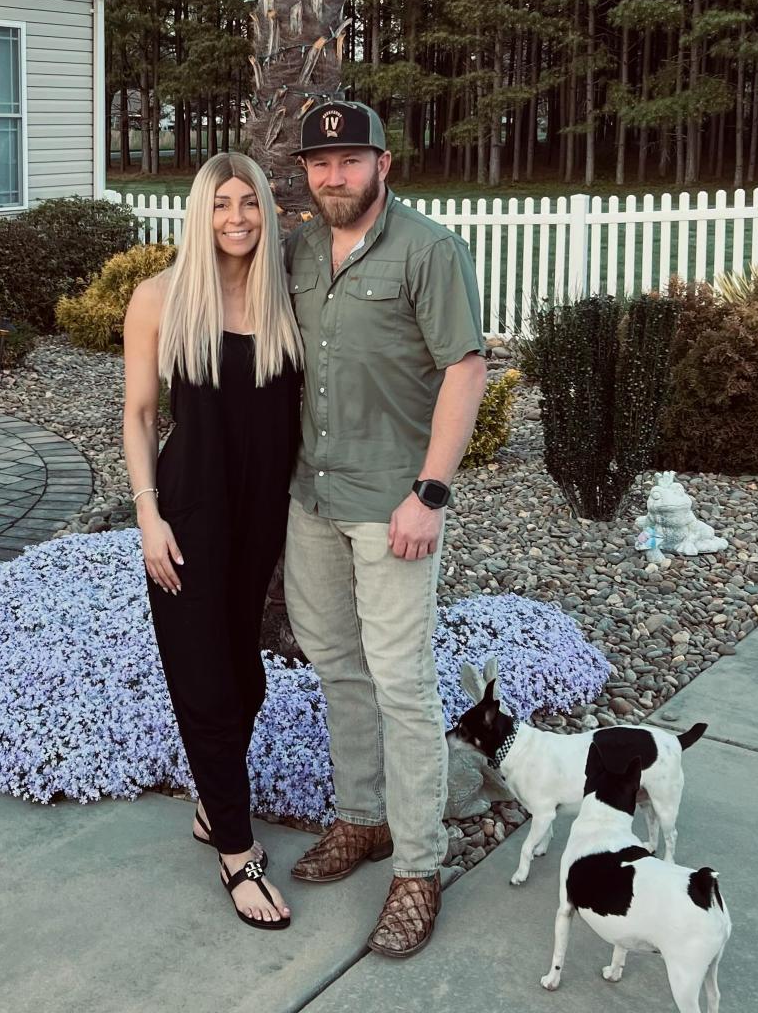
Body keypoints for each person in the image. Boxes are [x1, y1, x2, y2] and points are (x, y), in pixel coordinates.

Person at [282, 101, 487, 957]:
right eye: (321, 163)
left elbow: (465, 367)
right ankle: (360, 820)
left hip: (393, 505)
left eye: (351, 160)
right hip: (311, 500)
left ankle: (417, 865)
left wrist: (429, 492)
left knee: (402, 683)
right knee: (336, 666)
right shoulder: (294, 249)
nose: (335, 175)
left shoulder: (428, 249)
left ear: (384, 164)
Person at [122, 152, 303, 930]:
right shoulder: (159, 298)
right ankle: (236, 852)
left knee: (248, 680)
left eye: (250, 204)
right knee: (208, 683)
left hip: (261, 517)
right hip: (189, 515)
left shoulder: (285, 303)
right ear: (201, 212)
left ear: (265, 212)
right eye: (222, 204)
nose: (236, 217)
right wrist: (147, 514)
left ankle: (208, 804)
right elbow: (137, 414)